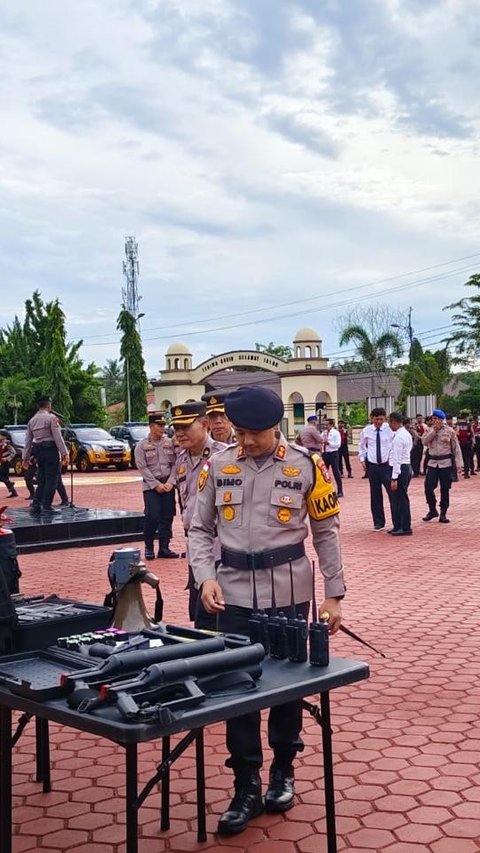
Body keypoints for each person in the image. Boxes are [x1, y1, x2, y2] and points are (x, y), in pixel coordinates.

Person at [188, 385, 344, 836]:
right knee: (238, 691)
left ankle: (283, 770)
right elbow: (198, 529)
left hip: (288, 594)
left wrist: (334, 594)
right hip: (232, 595)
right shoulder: (219, 465)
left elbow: (326, 531)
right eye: (240, 432)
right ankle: (246, 784)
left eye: (254, 433)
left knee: (288, 689)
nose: (246, 440)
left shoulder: (306, 464)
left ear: (276, 427)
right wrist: (205, 577)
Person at [172, 402, 227, 626]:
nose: (179, 433)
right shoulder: (181, 460)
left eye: (185, 427)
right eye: (176, 428)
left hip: (220, 549)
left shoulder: (224, 456)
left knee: (216, 615)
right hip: (196, 550)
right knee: (197, 615)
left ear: (205, 424)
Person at [134, 412, 178, 560]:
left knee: (167, 516)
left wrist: (171, 482)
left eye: (163, 425)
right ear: (151, 426)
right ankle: (149, 547)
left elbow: (176, 464)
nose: (162, 428)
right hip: (151, 486)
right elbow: (142, 467)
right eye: (159, 425)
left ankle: (164, 548)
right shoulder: (142, 445)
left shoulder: (170, 443)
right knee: (152, 516)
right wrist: (156, 485)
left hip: (168, 485)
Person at [22, 396, 69, 516]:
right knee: (51, 480)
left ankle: (36, 505)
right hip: (50, 450)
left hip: (38, 451)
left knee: (42, 479)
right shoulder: (51, 418)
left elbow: (28, 441)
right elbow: (57, 437)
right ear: (49, 406)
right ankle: (47, 506)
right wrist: (64, 453)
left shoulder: (32, 420)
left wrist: (25, 458)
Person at [422, 408, 463, 523]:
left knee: (445, 489)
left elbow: (456, 448)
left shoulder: (449, 431)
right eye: (433, 419)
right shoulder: (429, 430)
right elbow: (424, 442)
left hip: (446, 463)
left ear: (442, 419)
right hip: (433, 463)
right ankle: (432, 509)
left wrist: (459, 464)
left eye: (437, 419)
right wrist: (434, 431)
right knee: (428, 487)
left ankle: (443, 513)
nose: (435, 421)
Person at [358, 407, 394, 531]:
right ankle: (378, 522)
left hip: (387, 466)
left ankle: (396, 521)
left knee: (392, 493)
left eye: (381, 419)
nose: (378, 421)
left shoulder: (390, 429)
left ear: (385, 418)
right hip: (373, 466)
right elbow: (362, 446)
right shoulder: (366, 431)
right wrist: (362, 460)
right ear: (371, 418)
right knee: (375, 495)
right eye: (376, 419)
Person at [388, 412, 413, 536]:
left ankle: (405, 526)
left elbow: (397, 459)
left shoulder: (399, 437)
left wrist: (394, 478)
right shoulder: (406, 434)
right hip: (405, 466)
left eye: (389, 422)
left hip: (400, 468)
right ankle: (399, 525)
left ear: (393, 421)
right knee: (399, 498)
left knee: (401, 499)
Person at [320, 419, 343, 497]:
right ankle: (324, 490)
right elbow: (320, 440)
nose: (325, 426)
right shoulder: (324, 433)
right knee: (323, 472)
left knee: (336, 472)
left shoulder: (336, 433)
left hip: (333, 453)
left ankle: (340, 491)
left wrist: (328, 443)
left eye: (327, 425)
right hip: (325, 453)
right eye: (324, 425)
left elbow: (338, 445)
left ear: (331, 425)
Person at [0, 433, 18, 498]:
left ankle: (10, 484)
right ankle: (12, 490)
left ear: (4, 437)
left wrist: (7, 459)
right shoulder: (1, 444)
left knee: (3, 477)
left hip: (5, 463)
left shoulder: (7, 444)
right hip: (1, 462)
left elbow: (13, 452)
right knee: (4, 478)